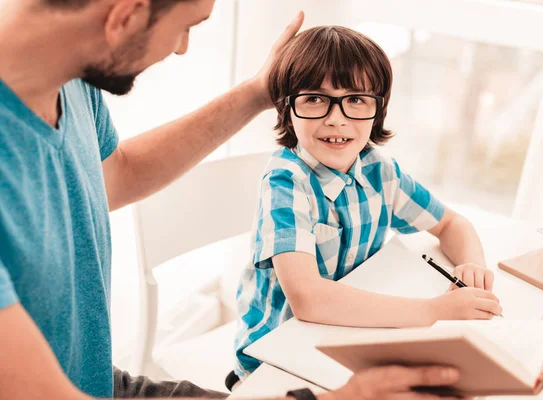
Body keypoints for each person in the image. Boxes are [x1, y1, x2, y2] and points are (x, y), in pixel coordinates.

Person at [0, 0, 471, 399]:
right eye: (187, 27)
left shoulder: (73, 82)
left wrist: (258, 91)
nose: (182, 48)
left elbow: (117, 174)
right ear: (126, 15)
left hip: (99, 381)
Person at [234, 26, 503, 380]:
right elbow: (308, 299)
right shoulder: (285, 184)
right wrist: (434, 310)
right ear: (287, 109)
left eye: (356, 99)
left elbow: (452, 224)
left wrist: (472, 265)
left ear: (379, 110)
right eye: (315, 98)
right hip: (281, 356)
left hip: (355, 332)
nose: (336, 118)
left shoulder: (380, 171)